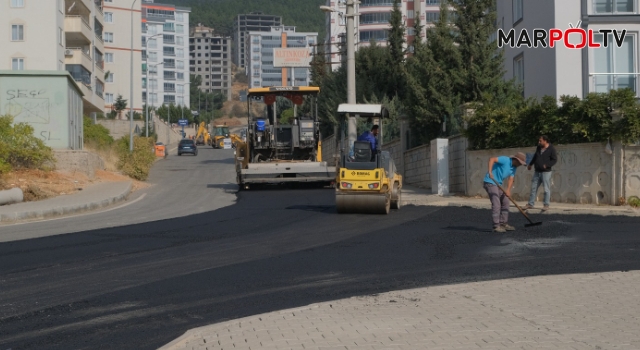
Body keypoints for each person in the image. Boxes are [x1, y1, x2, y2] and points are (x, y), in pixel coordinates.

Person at [483, 152, 527, 233]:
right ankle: (496, 225)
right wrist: (490, 172)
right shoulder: (505, 159)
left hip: (498, 184)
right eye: (520, 163)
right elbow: (491, 159)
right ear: (516, 160)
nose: (521, 165)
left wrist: (508, 190)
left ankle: (503, 223)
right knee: (496, 203)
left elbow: (511, 179)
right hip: (490, 182)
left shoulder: (514, 167)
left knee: (505, 201)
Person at [525, 135, 557, 211]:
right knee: (533, 187)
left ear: (545, 141)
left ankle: (546, 204)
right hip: (537, 171)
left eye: (540, 141)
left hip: (546, 172)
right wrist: (530, 164)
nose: (539, 142)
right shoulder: (539, 148)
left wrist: (547, 165)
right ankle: (530, 203)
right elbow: (535, 156)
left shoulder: (551, 149)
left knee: (546, 189)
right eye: (539, 141)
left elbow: (554, 160)